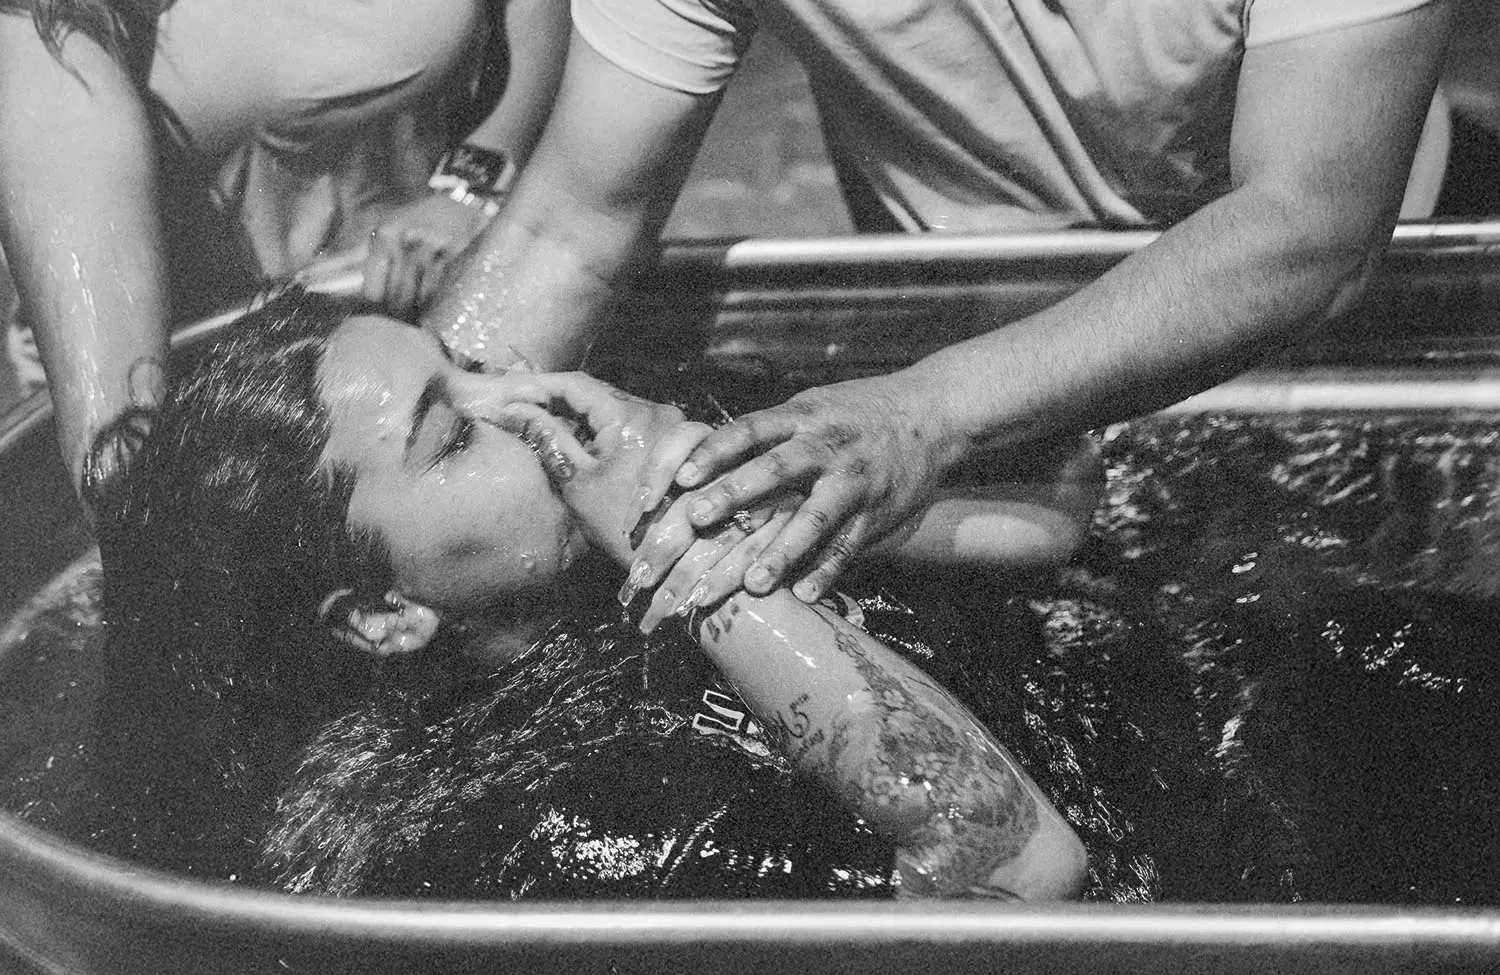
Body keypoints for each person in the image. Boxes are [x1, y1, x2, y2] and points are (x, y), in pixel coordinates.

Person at [424, 0, 1455, 609]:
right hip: (963, 341)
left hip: (1321, 359)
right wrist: (407, 420)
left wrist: (923, 414)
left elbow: (1311, 222)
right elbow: (567, 226)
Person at [89, 286, 1089, 900]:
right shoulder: (523, 823)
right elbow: (1020, 871)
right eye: (456, 434)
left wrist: (696, 473)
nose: (527, 396)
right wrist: (679, 545)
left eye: (471, 365)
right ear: (384, 615)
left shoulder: (608, 555)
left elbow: (1059, 514)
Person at [0, 0, 570, 510]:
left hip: (434, 297)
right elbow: (124, 465)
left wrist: (470, 182)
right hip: (215, 376)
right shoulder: (44, 43)